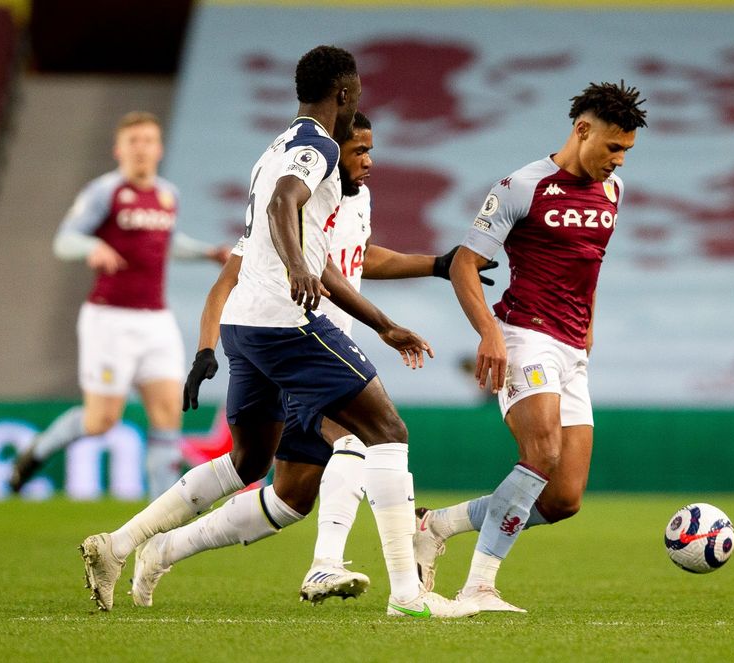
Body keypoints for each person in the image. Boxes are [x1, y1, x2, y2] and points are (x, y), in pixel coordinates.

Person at [78, 46, 478, 619]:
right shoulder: (316, 145)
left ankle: (119, 547)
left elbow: (327, 254)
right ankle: (406, 595)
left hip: (248, 322)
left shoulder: (280, 144)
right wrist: (295, 267)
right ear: (343, 95)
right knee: (385, 431)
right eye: (357, 93)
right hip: (284, 320)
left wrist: (384, 323)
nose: (360, 102)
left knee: (252, 464)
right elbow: (283, 206)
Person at [413, 81, 648, 612]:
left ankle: (436, 525)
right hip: (524, 335)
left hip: (572, 349)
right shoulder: (521, 186)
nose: (619, 161)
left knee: (564, 499)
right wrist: (490, 334)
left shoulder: (614, 193)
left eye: (627, 152)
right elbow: (463, 265)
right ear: (581, 131)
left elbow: (586, 263)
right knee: (539, 454)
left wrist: (590, 321)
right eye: (613, 148)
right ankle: (478, 588)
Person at [9, 112, 230, 500]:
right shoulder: (104, 192)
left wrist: (206, 252)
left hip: (155, 320)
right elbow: (64, 240)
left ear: (159, 149)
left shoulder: (167, 195)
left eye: (148, 141)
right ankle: (36, 452)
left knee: (167, 415)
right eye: (134, 141)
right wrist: (93, 245)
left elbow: (166, 242)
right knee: (101, 421)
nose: (141, 149)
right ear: (119, 149)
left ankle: (161, 517)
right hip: (109, 319)